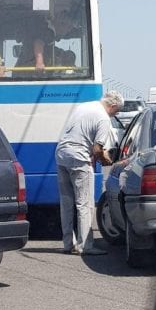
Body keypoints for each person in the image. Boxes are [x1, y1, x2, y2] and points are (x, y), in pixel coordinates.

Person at [55, 91, 124, 255]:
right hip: (78, 157)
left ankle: (67, 244)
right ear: (112, 106)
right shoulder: (103, 119)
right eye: (117, 111)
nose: (117, 114)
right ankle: (85, 246)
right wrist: (105, 160)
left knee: (66, 203)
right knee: (84, 203)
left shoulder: (85, 106)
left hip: (61, 153)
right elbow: (97, 149)